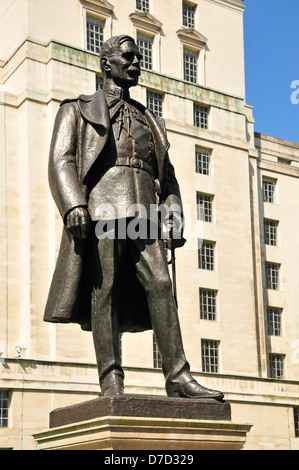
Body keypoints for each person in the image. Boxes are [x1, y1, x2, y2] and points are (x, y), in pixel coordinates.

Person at [44, 35, 224, 401]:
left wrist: (173, 211)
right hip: (102, 210)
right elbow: (61, 159)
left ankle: (178, 377)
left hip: (145, 213)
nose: (135, 63)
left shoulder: (148, 118)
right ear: (105, 64)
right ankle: (111, 380)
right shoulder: (76, 109)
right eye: (127, 57)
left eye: (139, 58)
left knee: (161, 285)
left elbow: (167, 175)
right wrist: (73, 204)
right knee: (104, 290)